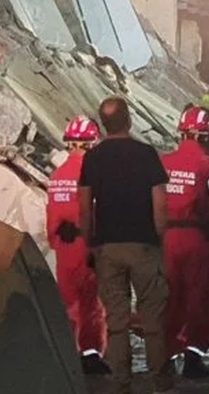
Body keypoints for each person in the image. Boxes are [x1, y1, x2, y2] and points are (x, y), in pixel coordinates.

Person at [78, 96, 172, 394]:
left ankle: (122, 385)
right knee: (153, 318)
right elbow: (160, 204)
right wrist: (159, 239)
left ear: (103, 125)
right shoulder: (146, 154)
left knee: (116, 320)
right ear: (129, 119)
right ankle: (160, 383)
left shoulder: (92, 158)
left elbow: (84, 207)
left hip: (107, 247)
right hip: (144, 245)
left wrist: (90, 244)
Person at [161, 106, 209, 378]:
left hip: (166, 238)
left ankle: (165, 355)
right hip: (197, 238)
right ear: (206, 137)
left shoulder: (162, 163)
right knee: (199, 298)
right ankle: (193, 358)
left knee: (168, 297)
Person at [46, 115, 110, 376]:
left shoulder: (57, 175)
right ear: (92, 143)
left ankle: (69, 354)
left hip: (65, 248)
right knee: (93, 302)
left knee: (69, 301)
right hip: (91, 246)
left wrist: (58, 242)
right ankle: (91, 353)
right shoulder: (97, 174)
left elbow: (52, 217)